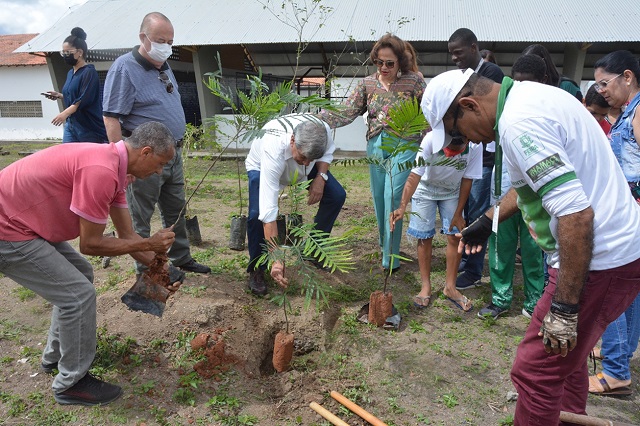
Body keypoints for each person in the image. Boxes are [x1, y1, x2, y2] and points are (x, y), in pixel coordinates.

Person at [421, 68, 640, 424]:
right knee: (564, 364)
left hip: (599, 260)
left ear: (469, 104)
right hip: (614, 254)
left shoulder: (519, 123)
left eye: (460, 133)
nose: (470, 143)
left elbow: (576, 215)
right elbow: (529, 185)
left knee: (535, 371)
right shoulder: (528, 97)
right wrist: (487, 222)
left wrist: (565, 308)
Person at [0, 121, 183, 406]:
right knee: (78, 295)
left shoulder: (117, 169)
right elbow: (91, 245)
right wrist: (150, 244)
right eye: (160, 164)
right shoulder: (102, 170)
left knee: (80, 275)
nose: (159, 172)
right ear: (145, 152)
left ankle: (56, 357)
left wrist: (161, 268)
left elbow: (127, 236)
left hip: (25, 222)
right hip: (7, 229)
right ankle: (70, 383)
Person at [102, 12, 210, 277]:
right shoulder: (124, 68)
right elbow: (111, 116)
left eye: (170, 41)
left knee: (175, 208)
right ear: (143, 38)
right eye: (161, 40)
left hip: (171, 154)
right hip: (143, 158)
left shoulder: (164, 66)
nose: (167, 46)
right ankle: (146, 267)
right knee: (140, 215)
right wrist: (122, 162)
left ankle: (181, 257)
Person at [318, 33, 426, 272]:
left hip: (404, 144)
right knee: (379, 199)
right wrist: (317, 120)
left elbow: (429, 113)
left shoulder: (414, 82)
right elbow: (347, 112)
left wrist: (436, 141)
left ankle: (391, 258)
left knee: (392, 196)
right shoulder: (367, 84)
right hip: (376, 144)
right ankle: (384, 245)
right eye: (379, 62)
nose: (384, 67)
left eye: (390, 63)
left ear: (400, 61)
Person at [587, 50, 640, 397]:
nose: (601, 90)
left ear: (627, 76)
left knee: (615, 285)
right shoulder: (626, 114)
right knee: (631, 291)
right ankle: (618, 357)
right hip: (629, 209)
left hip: (632, 212)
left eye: (604, 83)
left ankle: (616, 372)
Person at [245, 115, 346, 295]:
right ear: (292, 140)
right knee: (256, 214)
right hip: (261, 167)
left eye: (312, 159)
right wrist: (276, 258)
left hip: (300, 158)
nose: (307, 163)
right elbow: (269, 211)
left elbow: (326, 154)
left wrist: (320, 178)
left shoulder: (322, 131)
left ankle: (314, 251)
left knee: (336, 195)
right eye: (304, 157)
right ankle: (257, 268)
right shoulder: (272, 148)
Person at [478, 54, 546, 321]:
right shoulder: (502, 107)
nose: (521, 88)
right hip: (502, 191)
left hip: (533, 195)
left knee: (533, 249)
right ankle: (500, 299)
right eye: (517, 82)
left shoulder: (544, 109)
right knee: (500, 248)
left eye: (527, 83)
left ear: (542, 82)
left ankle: (535, 302)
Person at [390, 132, 481, 311]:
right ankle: (425, 286)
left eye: (454, 153)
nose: (448, 155)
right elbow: (415, 175)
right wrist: (402, 206)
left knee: (455, 236)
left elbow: (467, 180)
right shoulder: (431, 139)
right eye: (446, 150)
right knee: (424, 236)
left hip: (452, 192)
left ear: (467, 140)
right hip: (425, 190)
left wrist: (458, 213)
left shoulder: (475, 146)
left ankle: (450, 287)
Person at [447, 28, 504, 291]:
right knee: (468, 210)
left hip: (486, 157)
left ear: (473, 48)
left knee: (480, 212)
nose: (454, 59)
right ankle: (465, 256)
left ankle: (473, 269)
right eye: (452, 54)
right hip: (470, 155)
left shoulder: (490, 75)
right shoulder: (465, 76)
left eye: (458, 52)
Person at [42, 27, 107, 143]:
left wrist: (64, 114)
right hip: (72, 126)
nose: (65, 55)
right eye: (63, 53)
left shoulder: (89, 72)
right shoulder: (70, 73)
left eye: (68, 52)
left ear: (80, 52)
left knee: (88, 159)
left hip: (89, 128)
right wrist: (60, 95)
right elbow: (74, 95)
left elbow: (83, 99)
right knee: (67, 157)